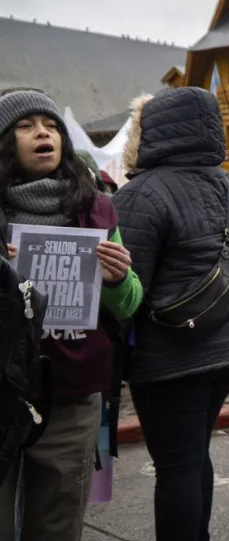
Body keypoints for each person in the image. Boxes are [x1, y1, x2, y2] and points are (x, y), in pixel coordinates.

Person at [112, 87, 229, 541]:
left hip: (172, 350)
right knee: (193, 454)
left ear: (149, 132)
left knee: (176, 464)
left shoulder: (141, 194)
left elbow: (127, 288)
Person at [0, 88, 143, 541]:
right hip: (2, 390)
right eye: (26, 126)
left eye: (51, 125)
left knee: (58, 523)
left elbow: (129, 304)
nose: (43, 132)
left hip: (71, 390)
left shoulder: (96, 208)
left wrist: (119, 279)